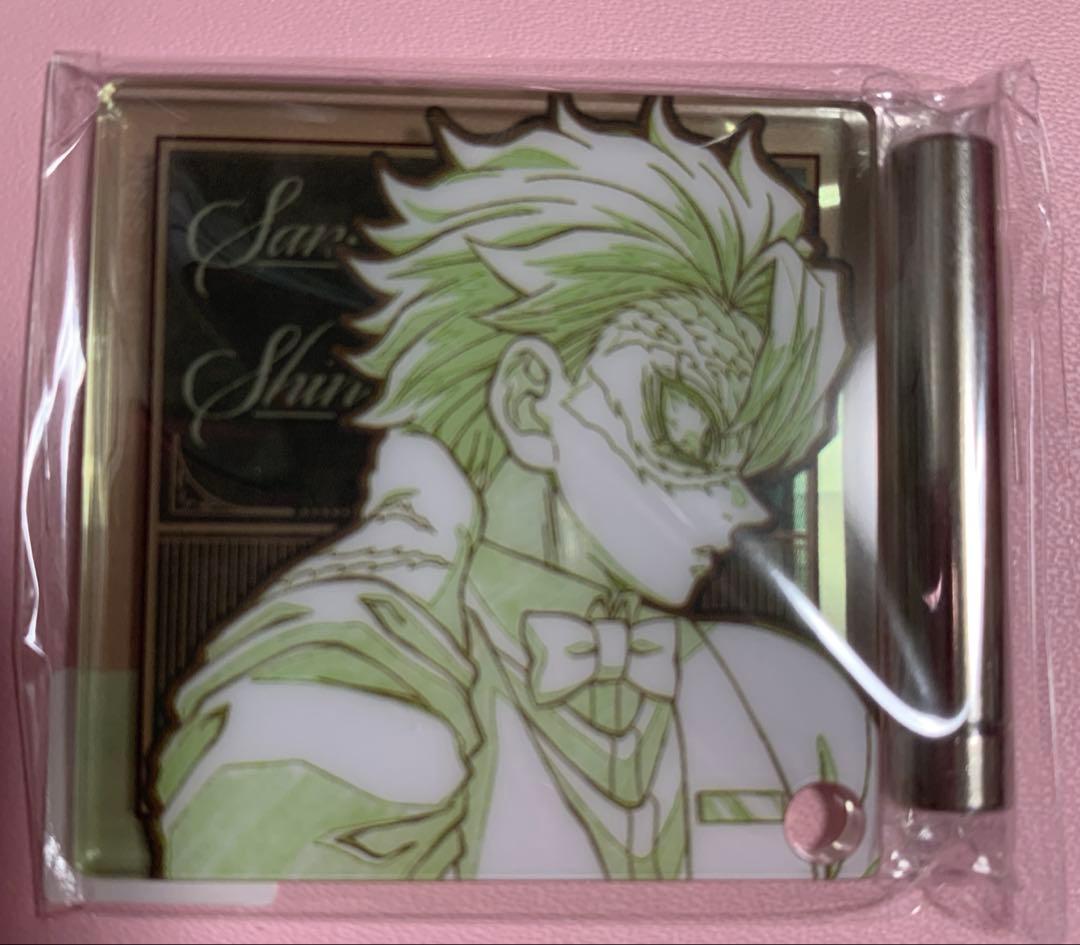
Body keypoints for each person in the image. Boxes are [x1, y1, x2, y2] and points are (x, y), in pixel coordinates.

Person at [152, 98, 874, 880]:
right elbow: (244, 893)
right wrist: (376, 631)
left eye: (747, 462)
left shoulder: (794, 700)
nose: (742, 507)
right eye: (686, 427)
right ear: (532, 399)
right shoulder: (348, 669)